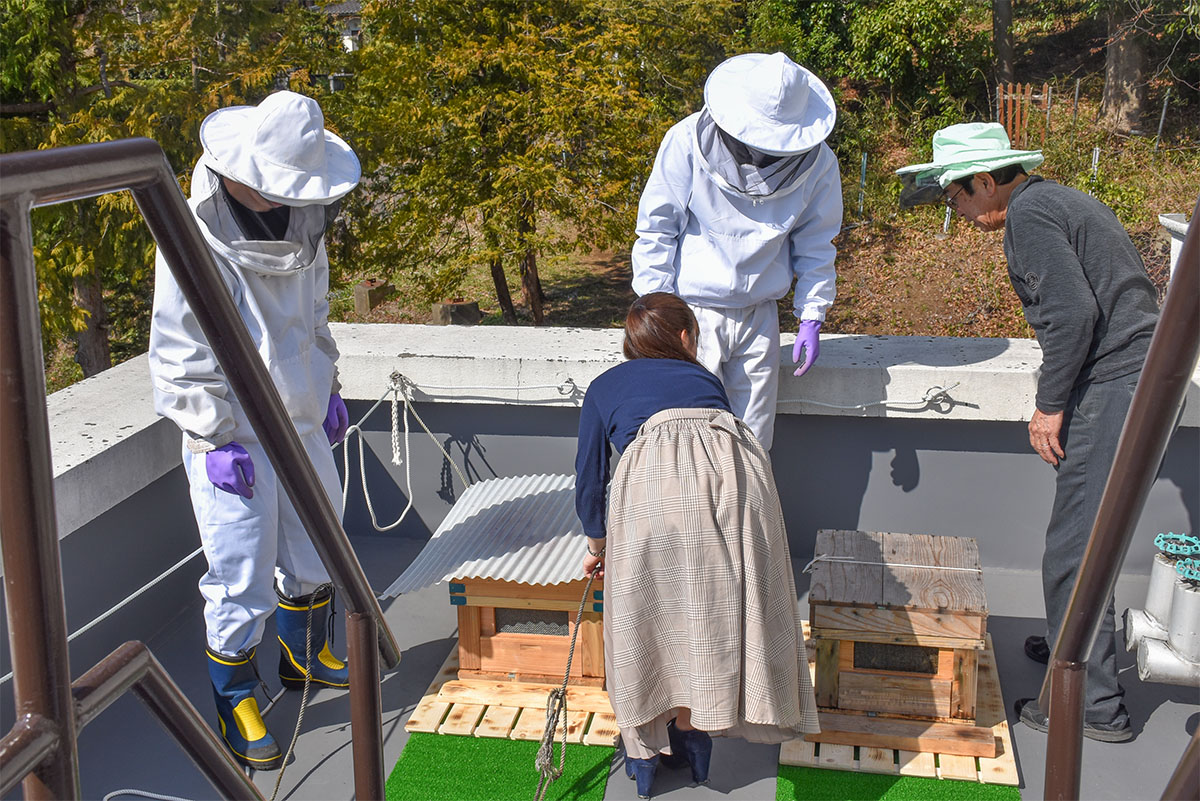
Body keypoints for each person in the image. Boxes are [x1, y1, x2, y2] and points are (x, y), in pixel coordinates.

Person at [897, 122, 1159, 743]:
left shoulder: (1031, 217)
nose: (954, 209)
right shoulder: (1053, 201)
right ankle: (1074, 642)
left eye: (955, 196)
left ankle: (1090, 705)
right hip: (1131, 377)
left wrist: (1049, 406)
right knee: (1086, 533)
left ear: (986, 182)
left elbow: (1072, 313)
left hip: (1115, 382)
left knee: (1075, 547)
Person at [148, 90, 360, 770]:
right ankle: (236, 695)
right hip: (234, 437)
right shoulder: (193, 233)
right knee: (240, 571)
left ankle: (304, 652)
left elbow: (316, 311)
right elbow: (178, 350)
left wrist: (326, 383)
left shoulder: (301, 222)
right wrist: (211, 436)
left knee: (320, 540)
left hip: (298, 417)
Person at [574, 293, 819, 799]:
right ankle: (699, 745)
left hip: (652, 496)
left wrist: (598, 544)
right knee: (704, 618)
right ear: (686, 337)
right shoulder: (706, 381)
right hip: (733, 497)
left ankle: (645, 765)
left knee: (643, 625)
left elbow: (590, 475)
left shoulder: (603, 386)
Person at [630, 52, 842, 450]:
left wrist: (812, 314)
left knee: (754, 444)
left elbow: (817, 243)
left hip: (760, 316)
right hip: (691, 315)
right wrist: (658, 310)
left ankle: (747, 514)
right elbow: (657, 230)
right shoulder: (686, 142)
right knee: (687, 439)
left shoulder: (819, 165)